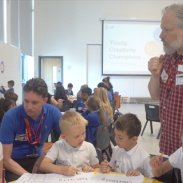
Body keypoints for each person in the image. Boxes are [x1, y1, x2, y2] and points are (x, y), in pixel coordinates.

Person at [0, 78, 62, 182]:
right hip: (14, 163)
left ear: (45, 101)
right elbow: (6, 160)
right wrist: (31, 178)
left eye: (34, 102)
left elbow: (70, 138)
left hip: (39, 159)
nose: (29, 107)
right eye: (26, 101)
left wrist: (46, 153)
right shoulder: (10, 117)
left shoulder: (53, 112)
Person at [148, 3, 183, 156]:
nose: (161, 35)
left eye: (166, 30)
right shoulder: (166, 59)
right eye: (162, 29)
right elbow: (156, 96)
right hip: (167, 147)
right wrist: (154, 75)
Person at [40, 111, 100, 175]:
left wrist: (92, 169)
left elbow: (97, 168)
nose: (82, 138)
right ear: (64, 136)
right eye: (76, 136)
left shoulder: (89, 147)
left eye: (83, 133)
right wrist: (63, 170)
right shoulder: (58, 146)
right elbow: (43, 166)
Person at [100, 113, 153, 178]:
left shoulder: (144, 158)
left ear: (134, 139)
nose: (115, 139)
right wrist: (108, 168)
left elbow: (151, 179)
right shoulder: (116, 150)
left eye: (120, 137)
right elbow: (112, 168)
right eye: (115, 134)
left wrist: (139, 175)